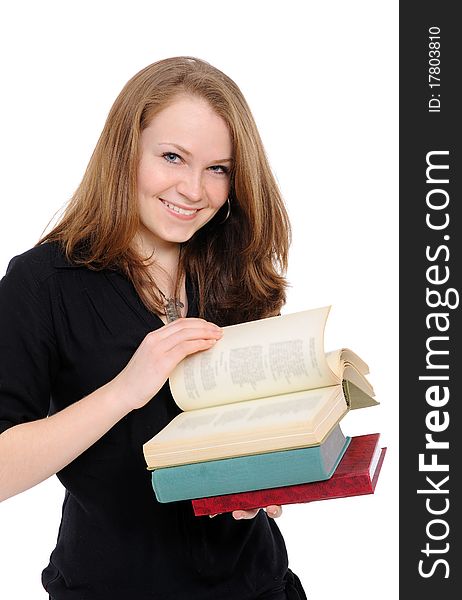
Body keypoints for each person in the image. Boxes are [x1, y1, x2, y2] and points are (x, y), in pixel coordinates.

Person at [0, 56, 307, 600]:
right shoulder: (42, 281)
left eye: (219, 168)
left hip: (258, 587)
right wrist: (127, 388)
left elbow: (246, 432)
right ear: (126, 152)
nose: (194, 190)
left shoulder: (236, 266)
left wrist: (263, 480)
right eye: (172, 157)